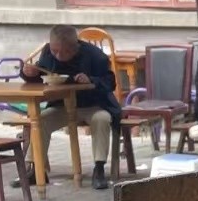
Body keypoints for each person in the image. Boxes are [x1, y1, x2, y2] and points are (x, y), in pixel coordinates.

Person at [18, 24, 122, 190]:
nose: (59, 56)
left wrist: (92, 80)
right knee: (41, 120)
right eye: (55, 51)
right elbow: (40, 78)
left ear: (76, 46)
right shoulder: (46, 52)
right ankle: (36, 170)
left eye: (65, 52)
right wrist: (29, 74)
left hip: (94, 105)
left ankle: (99, 169)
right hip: (62, 105)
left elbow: (110, 83)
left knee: (102, 119)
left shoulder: (95, 56)